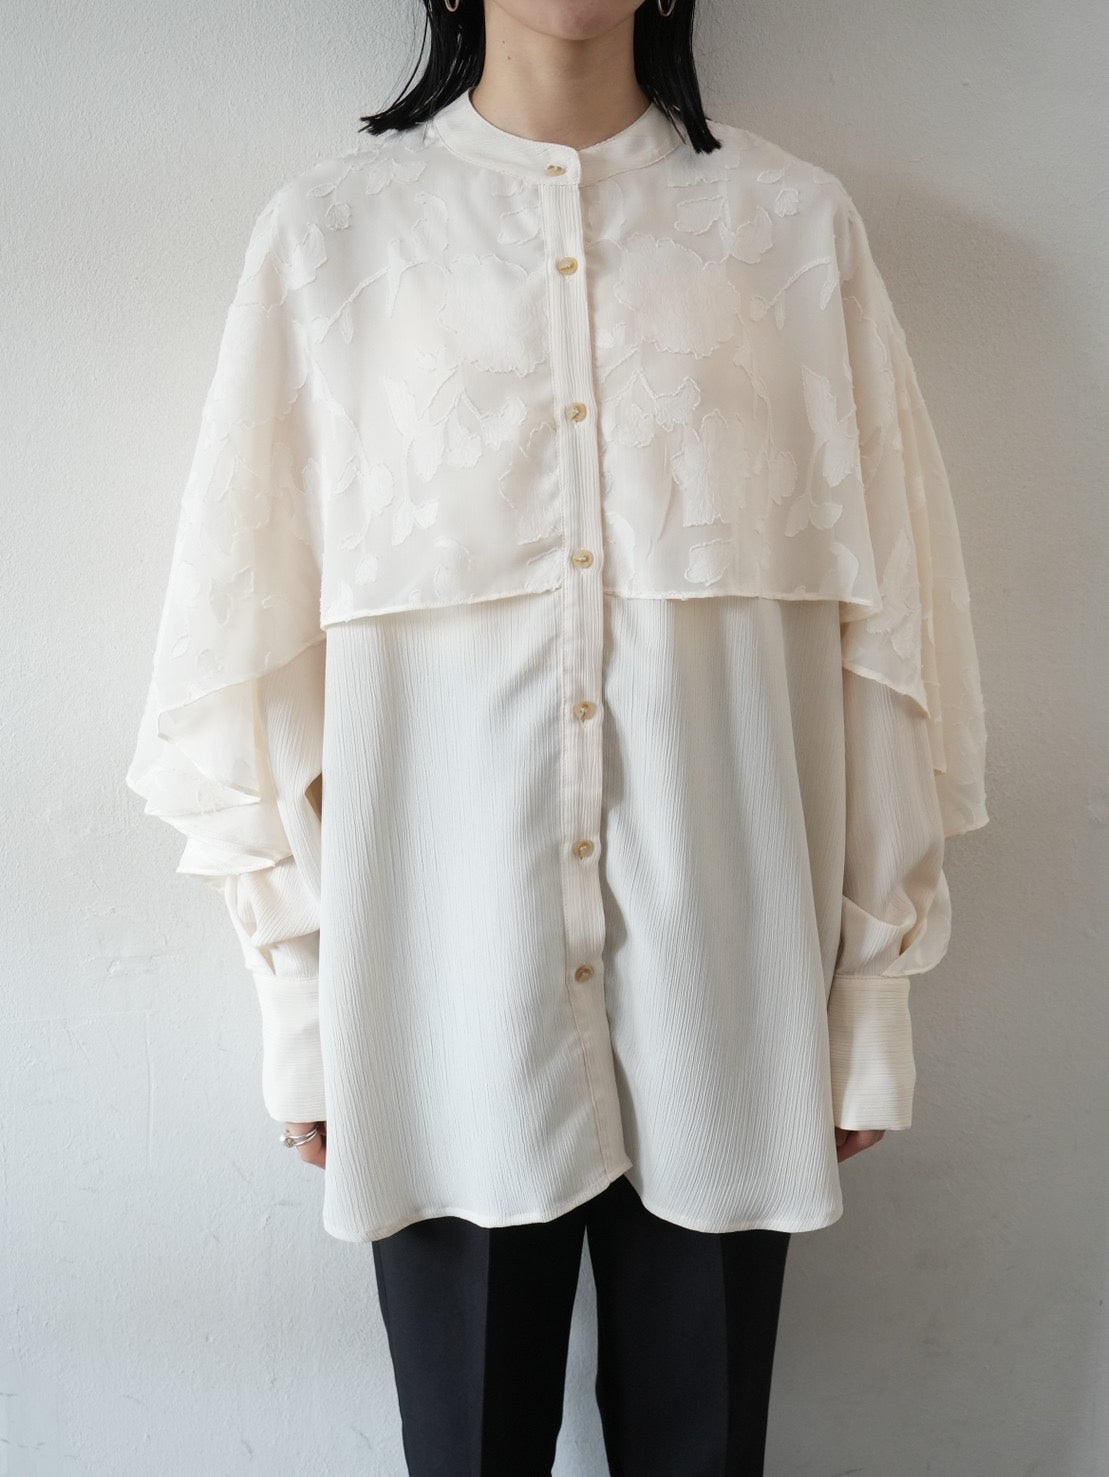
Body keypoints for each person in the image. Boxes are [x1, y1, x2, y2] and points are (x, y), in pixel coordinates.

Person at [125, 0, 989, 1471]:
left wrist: (866, 1004)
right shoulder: (333, 240)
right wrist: (305, 1009)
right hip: (435, 1009)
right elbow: (248, 659)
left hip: (734, 1005)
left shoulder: (791, 231)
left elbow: (886, 636)